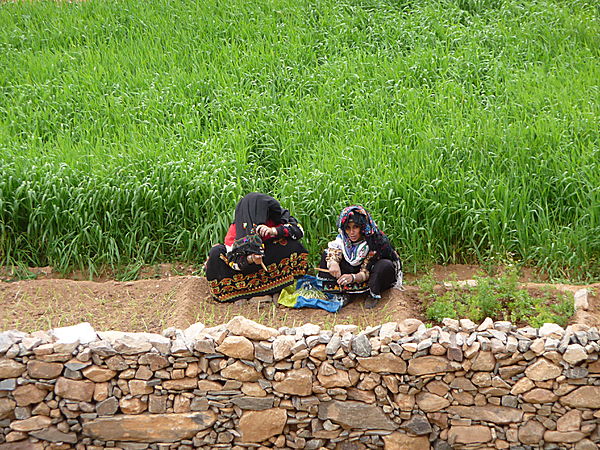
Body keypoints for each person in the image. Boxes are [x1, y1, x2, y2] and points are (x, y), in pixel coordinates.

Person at [205, 193, 309, 302]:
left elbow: (298, 230)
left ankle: (277, 285)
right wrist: (250, 259)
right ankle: (243, 291)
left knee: (291, 245)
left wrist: (274, 231)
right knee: (216, 252)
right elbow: (234, 262)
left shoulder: (276, 219)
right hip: (245, 270)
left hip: (270, 262)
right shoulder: (237, 230)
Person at [318, 205, 402, 308]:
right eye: (348, 228)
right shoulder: (343, 239)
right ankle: (342, 292)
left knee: (384, 265)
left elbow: (366, 269)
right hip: (352, 273)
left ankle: (373, 293)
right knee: (327, 254)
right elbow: (335, 250)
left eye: (355, 227)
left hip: (370, 273)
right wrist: (333, 263)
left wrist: (353, 277)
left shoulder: (375, 241)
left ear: (362, 227)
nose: (351, 232)